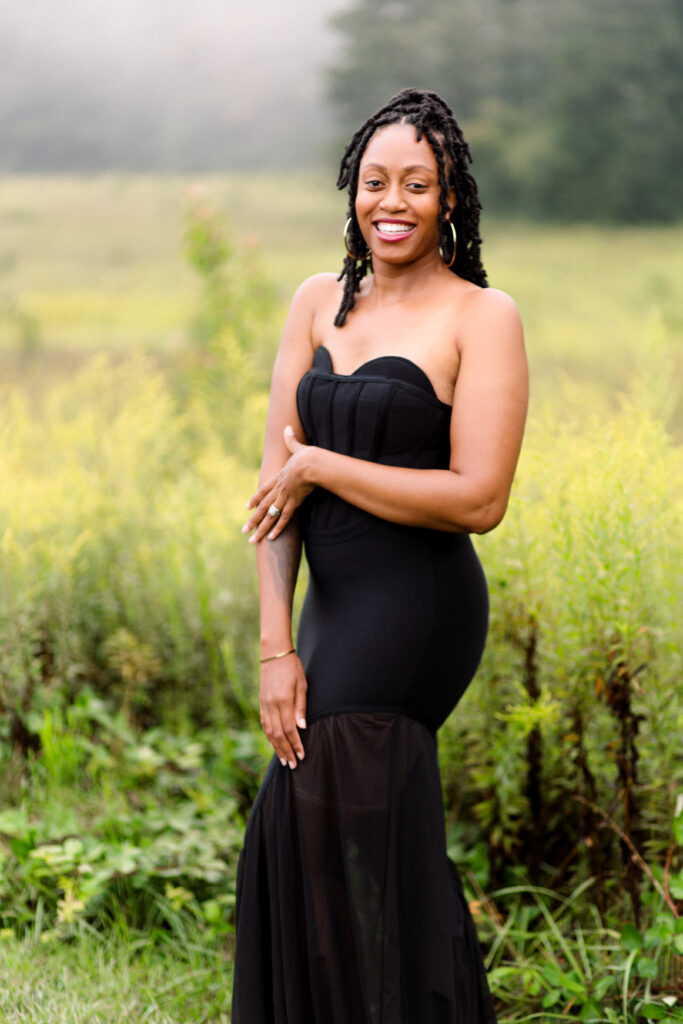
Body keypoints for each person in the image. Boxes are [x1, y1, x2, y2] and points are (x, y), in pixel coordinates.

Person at [234, 87, 528, 1024]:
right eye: (374, 182)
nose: (390, 202)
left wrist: (324, 461)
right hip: (328, 606)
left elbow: (478, 500)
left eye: (416, 183)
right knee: (295, 825)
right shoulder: (316, 302)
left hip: (418, 607)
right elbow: (273, 500)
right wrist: (277, 650)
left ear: (449, 199)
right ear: (351, 191)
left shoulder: (482, 317)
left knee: (344, 812)